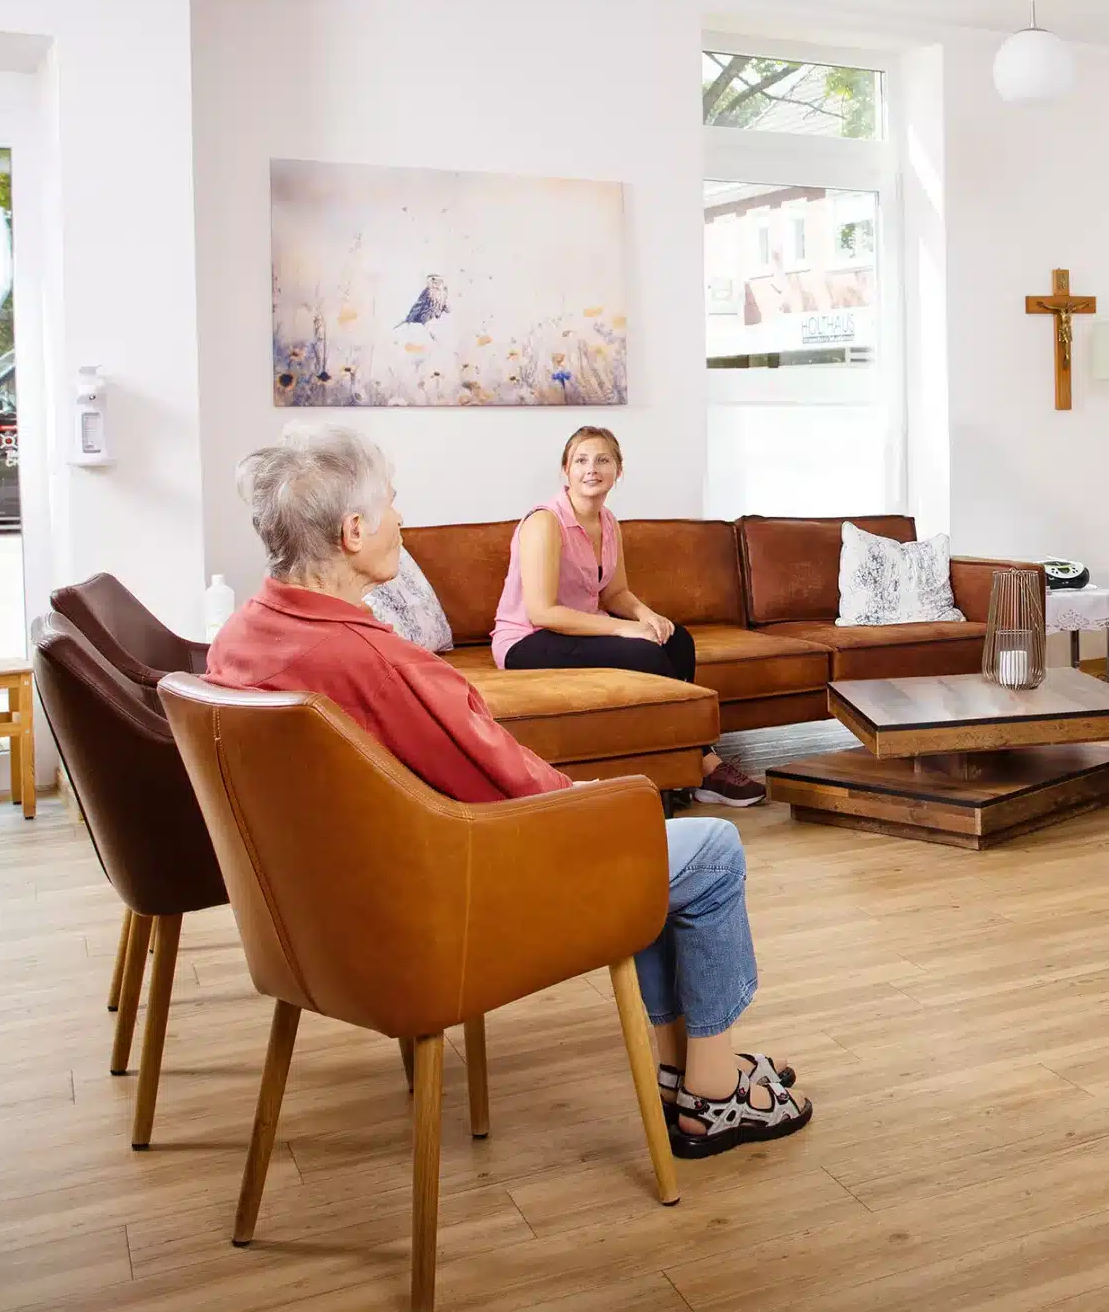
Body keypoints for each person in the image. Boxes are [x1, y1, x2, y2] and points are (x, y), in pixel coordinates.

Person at [207, 423, 811, 1157]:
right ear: (353, 529)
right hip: (443, 907)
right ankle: (712, 1096)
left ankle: (687, 1071)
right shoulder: (381, 663)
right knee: (708, 848)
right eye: (393, 502)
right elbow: (513, 788)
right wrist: (608, 801)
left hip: (323, 922)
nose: (403, 516)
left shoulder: (238, 638)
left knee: (656, 846)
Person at [492, 426, 766, 808]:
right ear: (565, 470)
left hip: (579, 629)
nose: (592, 469)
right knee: (644, 654)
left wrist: (648, 616)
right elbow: (542, 612)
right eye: (581, 460)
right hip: (527, 640)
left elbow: (614, 593)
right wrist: (624, 629)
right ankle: (703, 763)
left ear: (618, 471)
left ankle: (684, 760)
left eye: (603, 460)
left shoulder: (608, 522)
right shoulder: (545, 522)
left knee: (676, 640)